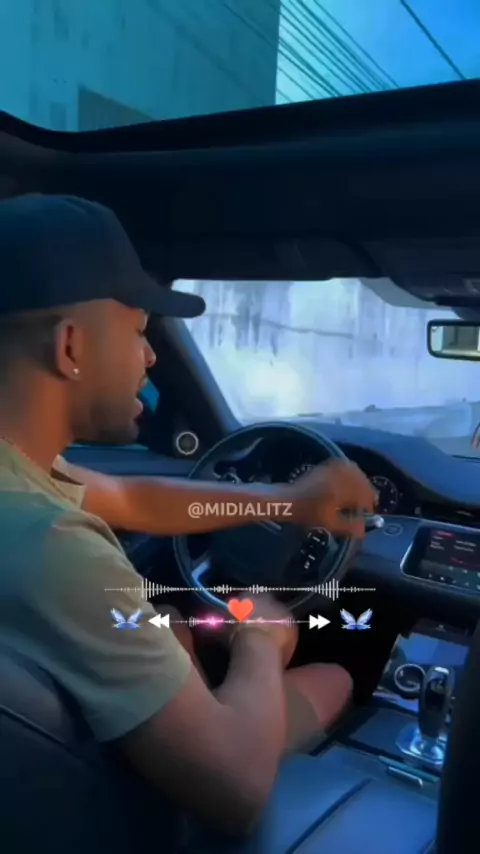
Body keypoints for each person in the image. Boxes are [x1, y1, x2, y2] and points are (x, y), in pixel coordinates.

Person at [0, 194, 377, 836]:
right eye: (139, 332)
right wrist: (261, 640)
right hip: (124, 813)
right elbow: (236, 789)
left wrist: (289, 502)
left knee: (173, 624)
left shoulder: (21, 481)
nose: (150, 357)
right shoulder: (55, 545)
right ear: (70, 346)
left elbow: (131, 500)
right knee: (336, 677)